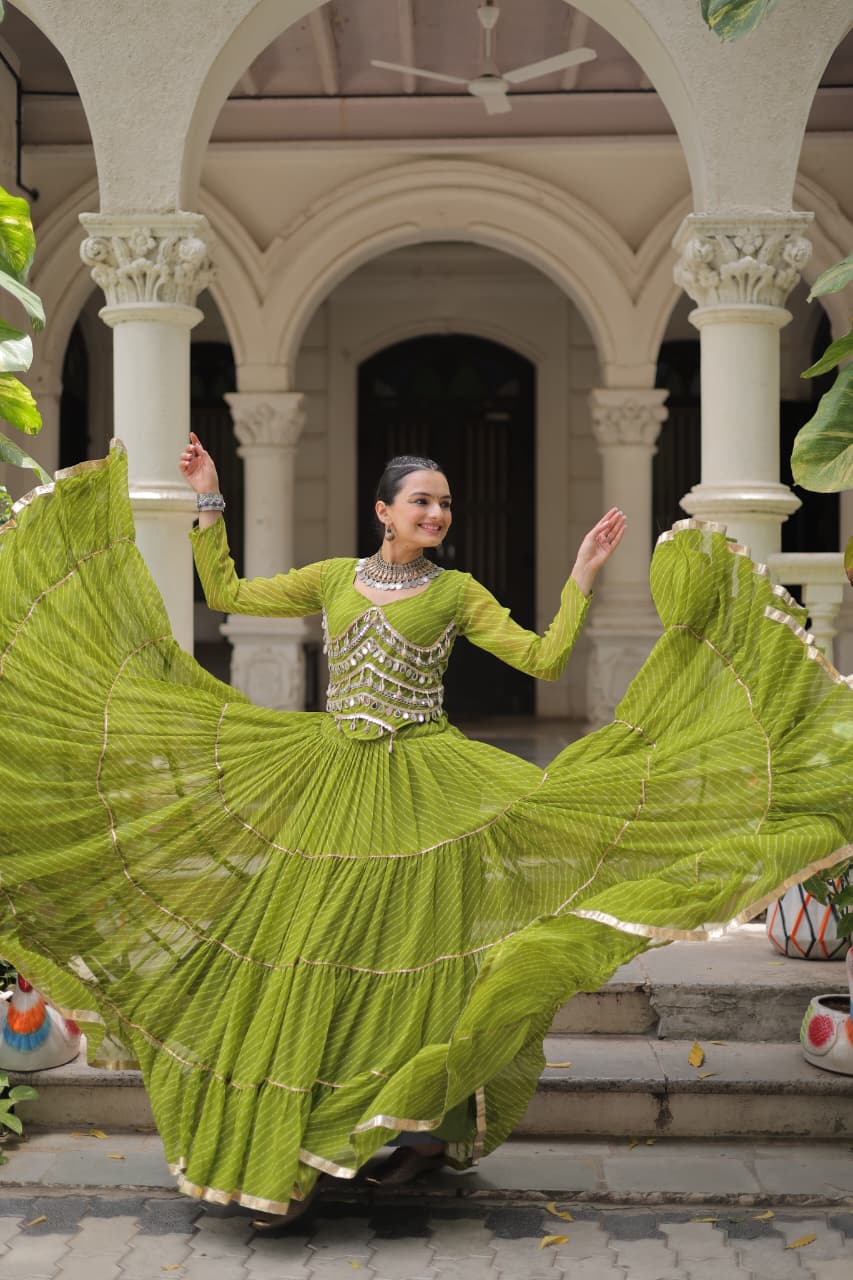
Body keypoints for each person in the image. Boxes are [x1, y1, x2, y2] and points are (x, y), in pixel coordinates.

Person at [0, 433, 850, 1233]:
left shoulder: (455, 591)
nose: (435, 514)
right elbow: (225, 595)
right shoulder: (334, 577)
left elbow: (543, 659)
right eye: (419, 501)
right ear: (383, 510)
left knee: (418, 963)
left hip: (428, 793)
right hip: (327, 782)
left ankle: (409, 1134)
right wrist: (211, 498)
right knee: (304, 959)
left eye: (443, 504)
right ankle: (285, 1158)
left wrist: (582, 575)